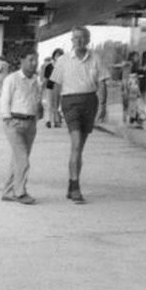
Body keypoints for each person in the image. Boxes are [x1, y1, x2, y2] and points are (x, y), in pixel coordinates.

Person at [49, 26, 108, 204]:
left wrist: (103, 105)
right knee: (75, 144)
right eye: (76, 38)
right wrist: (53, 110)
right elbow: (54, 86)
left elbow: (102, 83)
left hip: (90, 102)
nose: (79, 41)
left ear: (88, 40)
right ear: (71, 41)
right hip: (70, 103)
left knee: (79, 147)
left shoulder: (96, 58)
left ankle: (71, 183)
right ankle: (75, 187)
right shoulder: (63, 60)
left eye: (83, 38)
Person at [0, 49, 42, 205]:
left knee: (17, 160)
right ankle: (20, 193)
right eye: (31, 59)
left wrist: (38, 113)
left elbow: (37, 99)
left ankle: (8, 191)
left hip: (30, 123)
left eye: (36, 59)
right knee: (22, 158)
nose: (34, 63)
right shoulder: (12, 79)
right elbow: (5, 100)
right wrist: (7, 119)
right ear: (22, 61)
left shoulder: (36, 80)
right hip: (14, 123)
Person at [42, 48, 64, 128]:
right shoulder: (49, 66)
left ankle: (56, 121)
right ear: (54, 56)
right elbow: (46, 78)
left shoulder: (63, 66)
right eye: (57, 55)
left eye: (60, 55)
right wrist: (42, 87)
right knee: (49, 104)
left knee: (56, 105)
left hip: (59, 87)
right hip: (50, 86)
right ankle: (48, 121)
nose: (58, 57)